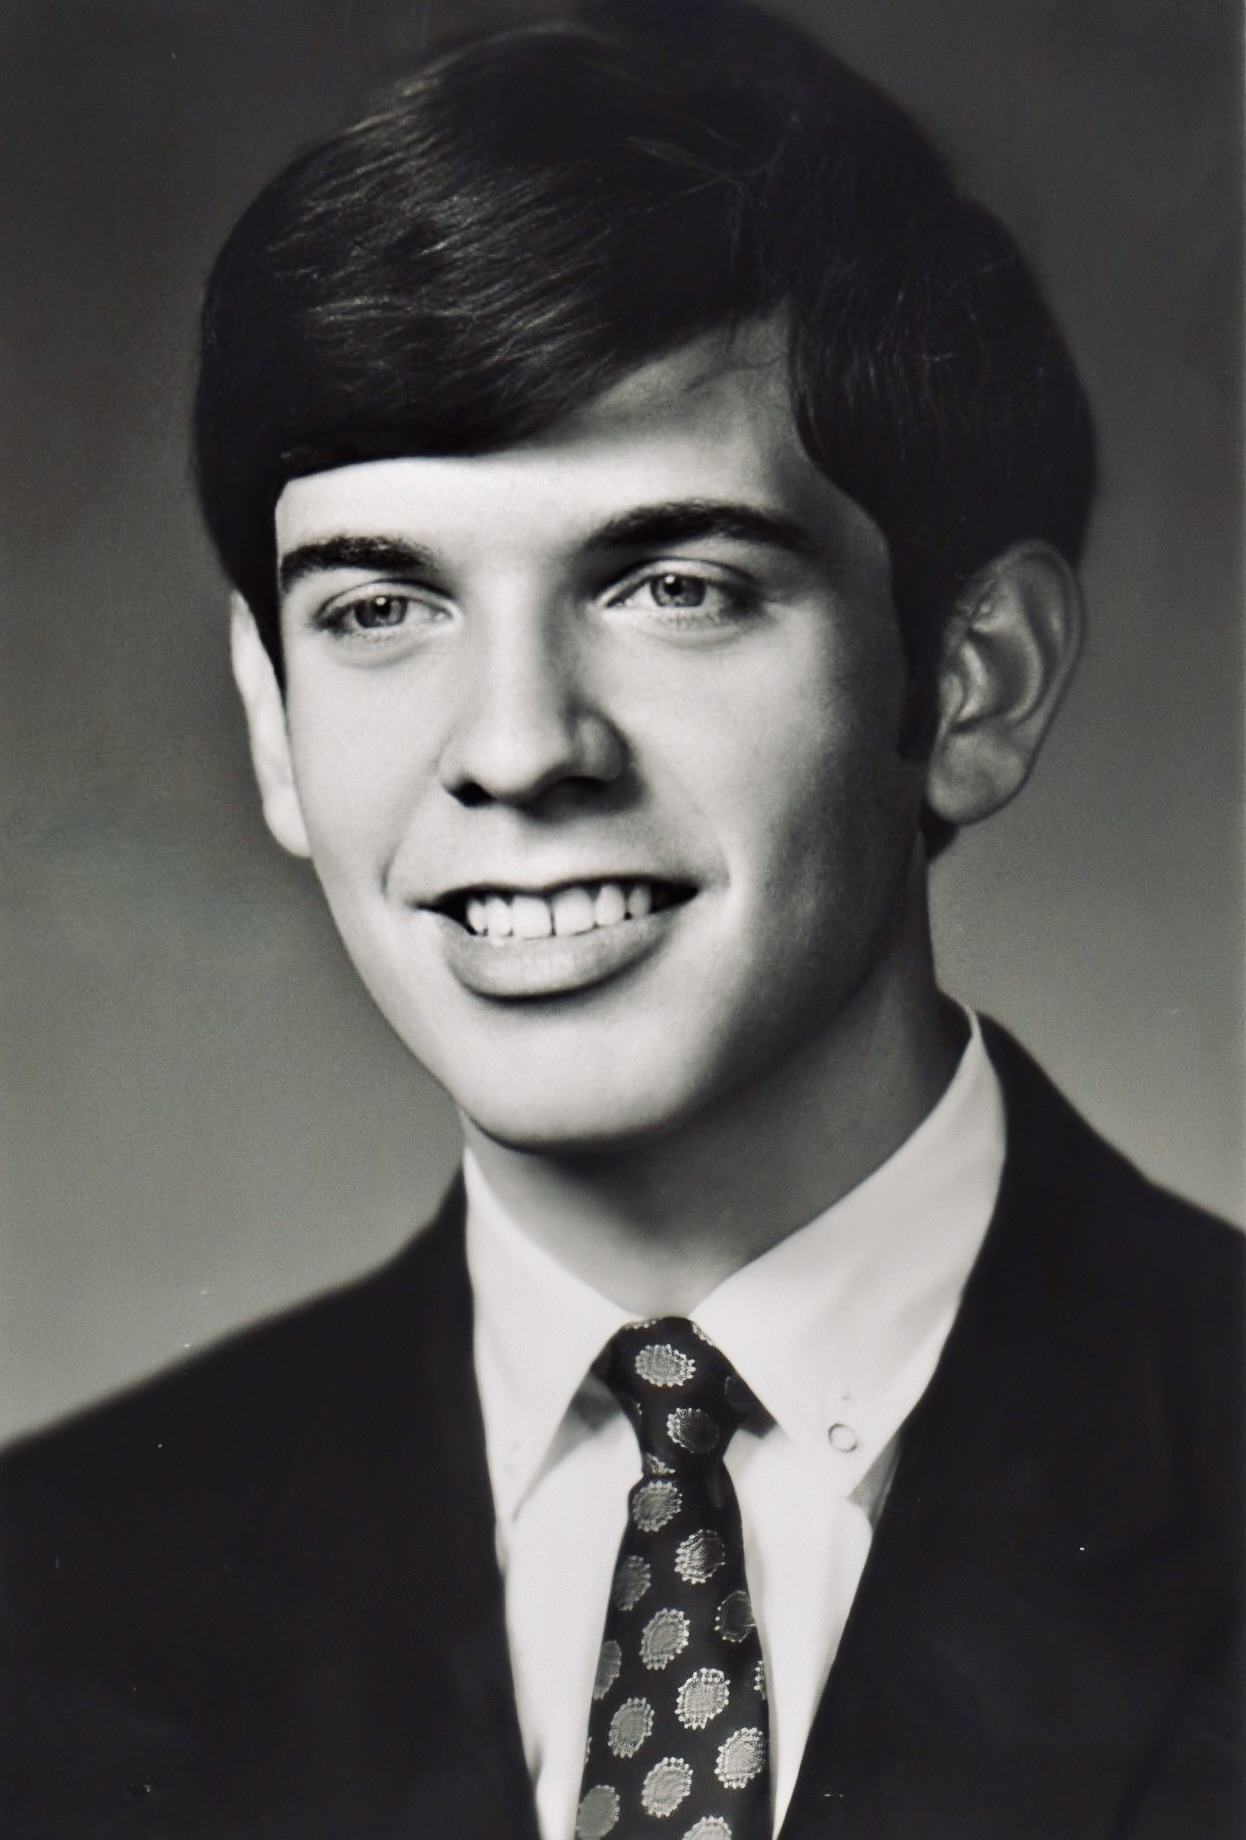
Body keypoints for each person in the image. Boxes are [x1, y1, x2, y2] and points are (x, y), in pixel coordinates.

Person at [1, 3, 1240, 1836]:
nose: (515, 750)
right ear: (272, 725)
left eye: (674, 586)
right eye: (378, 610)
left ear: (974, 682)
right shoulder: (45, 1597)